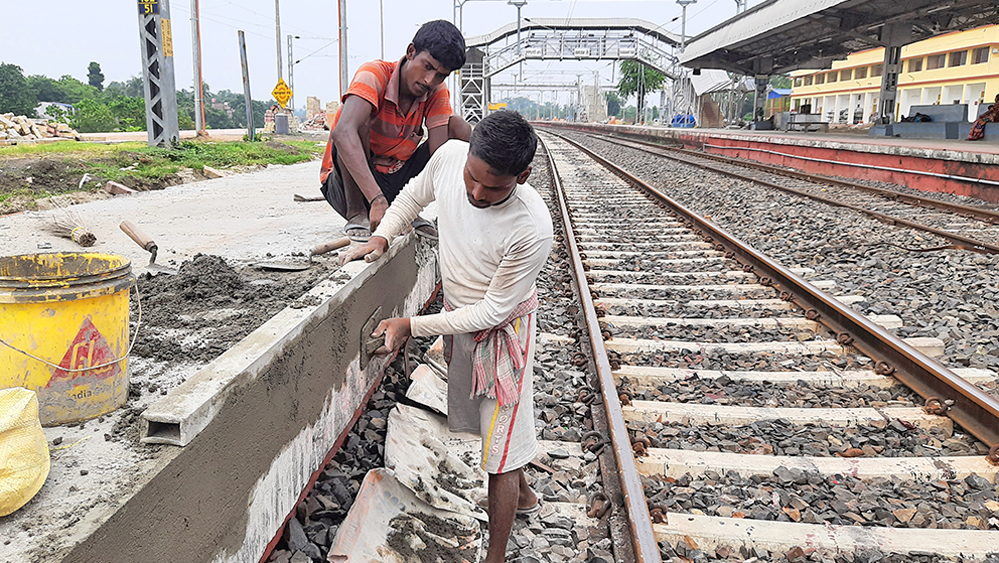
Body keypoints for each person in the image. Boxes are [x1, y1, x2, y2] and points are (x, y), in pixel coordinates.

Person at [340, 111, 553, 563]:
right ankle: (527, 495)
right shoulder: (449, 158)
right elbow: (411, 199)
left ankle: (495, 556)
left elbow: (493, 311)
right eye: (472, 178)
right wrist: (381, 237)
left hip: (501, 335)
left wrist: (411, 326)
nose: (476, 193)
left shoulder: (531, 227)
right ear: (468, 153)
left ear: (524, 176)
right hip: (460, 318)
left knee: (499, 452)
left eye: (493, 188)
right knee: (488, 426)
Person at [320, 19, 472, 241]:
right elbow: (342, 133)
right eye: (427, 67)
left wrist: (437, 211)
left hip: (394, 182)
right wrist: (377, 200)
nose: (430, 80)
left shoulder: (435, 91)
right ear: (411, 52)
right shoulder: (373, 74)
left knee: (457, 127)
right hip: (348, 185)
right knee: (356, 123)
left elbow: (441, 154)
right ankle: (357, 214)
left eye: (441, 75)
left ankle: (409, 210)